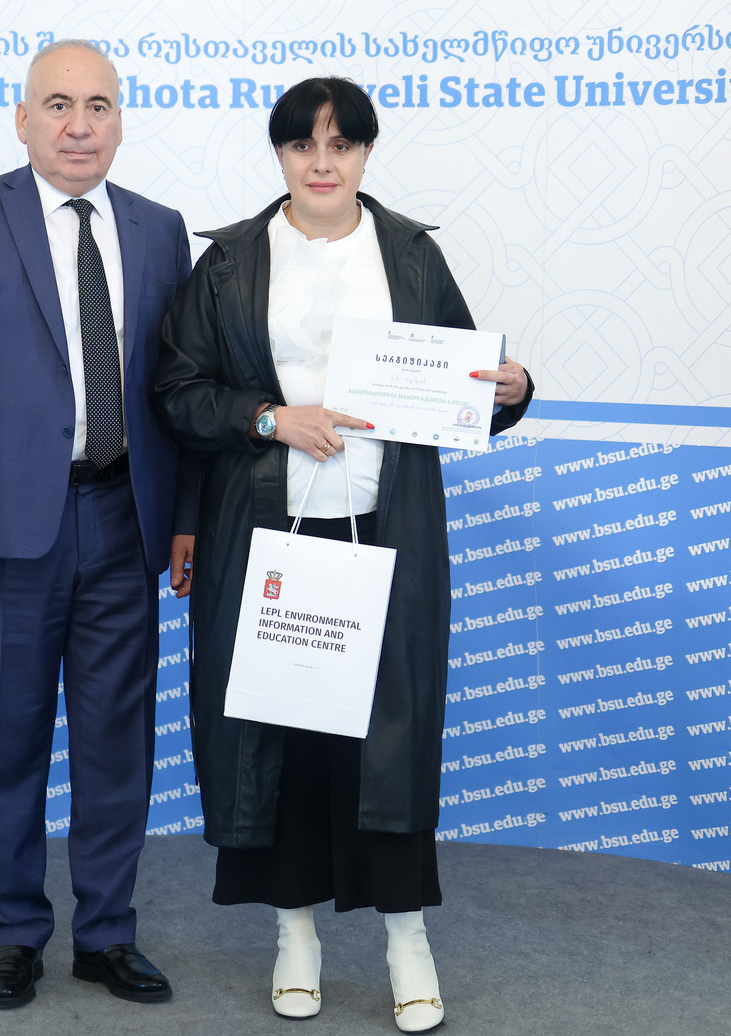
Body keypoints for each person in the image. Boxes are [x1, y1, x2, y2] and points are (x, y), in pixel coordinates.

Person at [151, 77, 532, 1032]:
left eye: (342, 144)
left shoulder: (409, 253)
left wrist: (513, 388)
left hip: (387, 531)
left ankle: (408, 941)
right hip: (265, 533)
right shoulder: (231, 260)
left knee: (385, 740)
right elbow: (178, 391)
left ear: (366, 152)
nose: (322, 162)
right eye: (303, 144)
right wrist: (270, 418)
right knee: (279, 737)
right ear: (279, 154)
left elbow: (467, 386)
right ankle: (294, 934)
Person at [0, 39, 193, 1011]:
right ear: (22, 119)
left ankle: (106, 933)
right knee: (14, 746)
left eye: (98, 106)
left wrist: (184, 517)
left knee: (118, 745)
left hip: (124, 519)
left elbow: (176, 390)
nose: (79, 125)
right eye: (58, 104)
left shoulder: (159, 229)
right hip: (6, 532)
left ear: (120, 122)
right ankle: (16, 932)